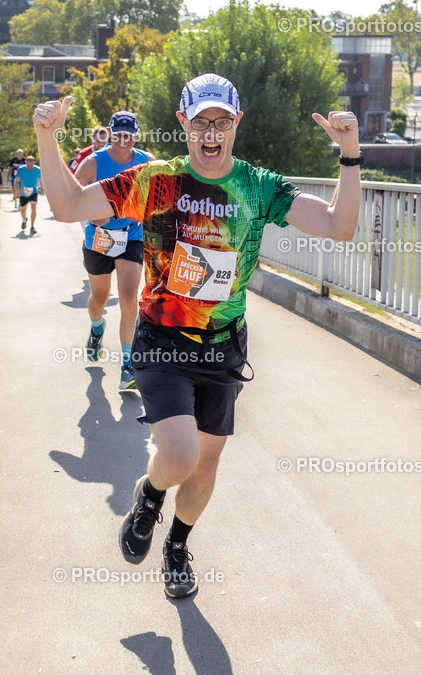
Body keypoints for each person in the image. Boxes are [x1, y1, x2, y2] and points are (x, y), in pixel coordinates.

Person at [32, 74, 361, 598]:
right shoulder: (156, 180)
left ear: (236, 124)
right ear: (182, 124)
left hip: (223, 345)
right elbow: (68, 207)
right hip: (163, 339)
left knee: (204, 469)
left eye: (221, 122)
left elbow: (338, 226)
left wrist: (349, 154)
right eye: (200, 122)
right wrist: (47, 139)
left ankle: (177, 545)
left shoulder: (258, 186)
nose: (211, 132)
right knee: (181, 457)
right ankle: (150, 494)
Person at [74, 112, 153, 390]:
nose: (123, 140)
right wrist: (90, 213)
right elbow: (71, 193)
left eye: (128, 135)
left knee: (129, 299)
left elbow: (164, 193)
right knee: (99, 298)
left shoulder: (147, 162)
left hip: (132, 235)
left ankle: (127, 366)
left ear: (137, 135)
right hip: (99, 238)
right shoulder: (94, 162)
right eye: (118, 134)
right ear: (110, 133)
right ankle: (97, 328)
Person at [14, 155, 42, 234]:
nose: (29, 164)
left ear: (34, 162)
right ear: (25, 162)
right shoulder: (21, 169)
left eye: (31, 162)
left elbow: (41, 180)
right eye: (28, 162)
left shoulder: (38, 170)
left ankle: (32, 226)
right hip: (23, 192)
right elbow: (16, 180)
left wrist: (43, 189)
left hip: (33, 192)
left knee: (33, 207)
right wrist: (17, 190)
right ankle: (24, 220)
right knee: (23, 209)